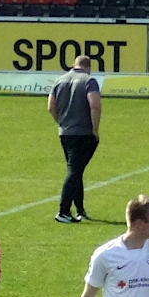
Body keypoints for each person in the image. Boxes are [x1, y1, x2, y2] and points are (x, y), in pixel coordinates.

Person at [48, 55, 101, 224]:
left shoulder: (59, 80)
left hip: (65, 132)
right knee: (74, 171)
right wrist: (95, 129)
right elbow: (94, 104)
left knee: (77, 170)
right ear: (88, 67)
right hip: (83, 132)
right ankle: (63, 211)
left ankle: (80, 209)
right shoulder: (89, 81)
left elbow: (51, 106)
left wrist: (61, 122)